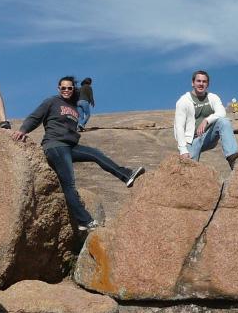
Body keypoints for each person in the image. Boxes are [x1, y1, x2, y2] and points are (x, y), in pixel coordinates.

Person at [11, 76, 145, 231]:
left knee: (95, 154)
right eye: (63, 88)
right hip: (55, 145)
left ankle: (126, 176)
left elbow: (82, 96)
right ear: (58, 89)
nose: (66, 90)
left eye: (69, 88)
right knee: (69, 183)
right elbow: (35, 117)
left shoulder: (74, 107)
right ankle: (84, 221)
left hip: (71, 145)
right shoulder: (52, 102)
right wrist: (23, 130)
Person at [173, 70, 238, 168]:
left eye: (204, 82)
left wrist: (206, 120)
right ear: (193, 83)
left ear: (208, 84)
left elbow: (222, 113)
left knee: (224, 121)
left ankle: (232, 157)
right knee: (190, 171)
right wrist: (183, 150)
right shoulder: (183, 101)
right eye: (198, 81)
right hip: (191, 141)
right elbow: (179, 127)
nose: (201, 84)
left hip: (208, 137)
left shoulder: (213, 97)